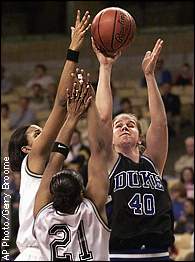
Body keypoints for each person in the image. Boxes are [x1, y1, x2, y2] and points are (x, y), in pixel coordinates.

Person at [8, 10, 91, 261]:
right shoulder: (32, 161)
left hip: (51, 250)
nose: (43, 132)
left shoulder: (46, 167)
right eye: (36, 133)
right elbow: (60, 104)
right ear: (26, 149)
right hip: (34, 253)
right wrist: (73, 50)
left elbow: (62, 142)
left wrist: (73, 119)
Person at [92, 38, 175, 260]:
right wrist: (105, 67)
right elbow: (102, 118)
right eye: (118, 125)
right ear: (111, 138)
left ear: (140, 137)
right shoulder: (109, 161)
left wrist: (149, 77)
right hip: (121, 254)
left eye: (131, 124)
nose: (124, 127)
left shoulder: (153, 162)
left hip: (159, 253)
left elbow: (160, 124)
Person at [33, 70, 110, 261]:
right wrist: (90, 103)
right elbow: (98, 150)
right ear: (83, 193)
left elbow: (54, 161)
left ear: (52, 193)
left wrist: (72, 117)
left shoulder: (43, 216)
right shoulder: (92, 209)